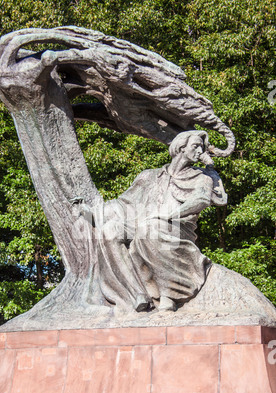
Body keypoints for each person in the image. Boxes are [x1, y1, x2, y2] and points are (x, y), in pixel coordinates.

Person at [81, 130, 227, 312]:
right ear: (181, 147)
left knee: (149, 229)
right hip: (145, 223)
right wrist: (91, 214)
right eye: (196, 146)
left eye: (202, 147)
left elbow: (201, 200)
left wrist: (170, 216)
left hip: (177, 226)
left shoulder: (202, 178)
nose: (200, 151)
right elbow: (123, 203)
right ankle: (137, 295)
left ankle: (169, 296)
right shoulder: (149, 176)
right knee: (110, 231)